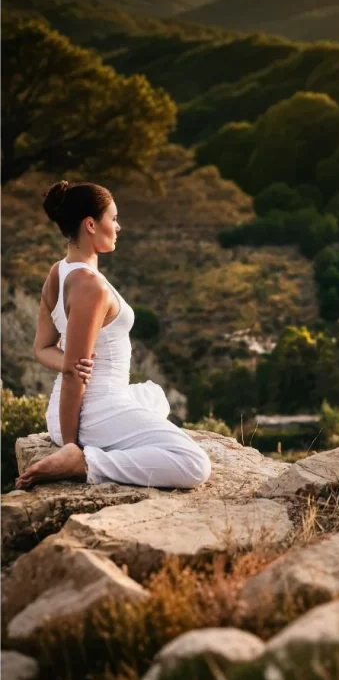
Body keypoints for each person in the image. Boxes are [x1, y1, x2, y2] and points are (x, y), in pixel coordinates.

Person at [15, 180, 211, 491]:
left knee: (155, 395)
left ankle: (94, 443)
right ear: (91, 224)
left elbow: (42, 348)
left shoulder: (59, 271)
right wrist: (70, 444)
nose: (118, 227)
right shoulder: (90, 287)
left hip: (68, 409)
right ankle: (88, 462)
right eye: (114, 218)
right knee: (194, 464)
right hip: (92, 412)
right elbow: (73, 378)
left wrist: (66, 362)